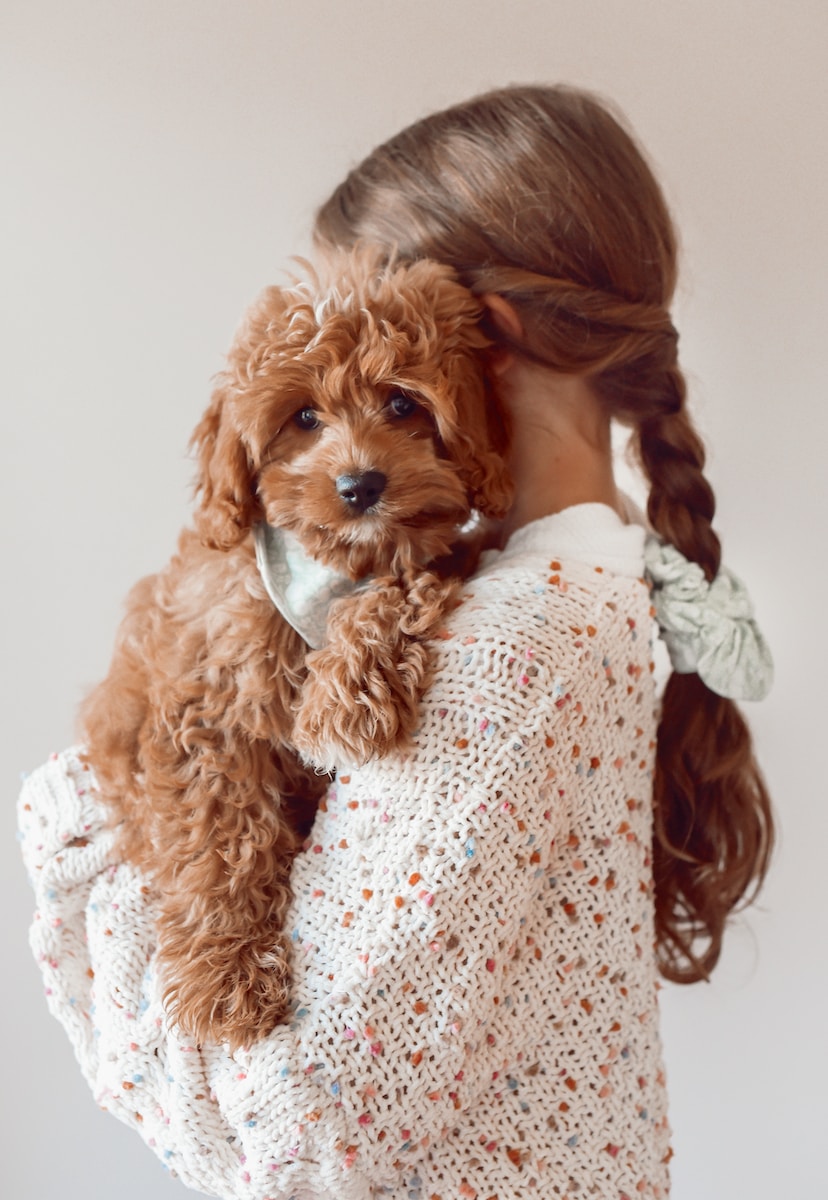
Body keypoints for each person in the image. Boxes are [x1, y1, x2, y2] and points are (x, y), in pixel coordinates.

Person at [18, 84, 773, 1200]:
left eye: (396, 389)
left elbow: (301, 1131)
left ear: (479, 341)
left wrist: (71, 825)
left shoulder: (511, 648)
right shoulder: (587, 586)